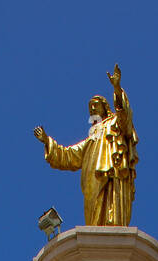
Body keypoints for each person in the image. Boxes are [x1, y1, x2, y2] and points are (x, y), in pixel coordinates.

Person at [34, 65, 138, 227]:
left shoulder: (114, 123)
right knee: (94, 216)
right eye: (90, 107)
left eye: (95, 105)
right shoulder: (92, 139)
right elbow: (70, 155)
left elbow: (125, 117)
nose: (92, 108)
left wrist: (117, 88)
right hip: (92, 178)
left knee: (113, 205)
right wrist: (47, 141)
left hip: (113, 171)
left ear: (105, 107)